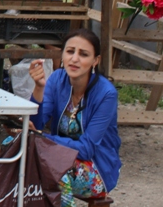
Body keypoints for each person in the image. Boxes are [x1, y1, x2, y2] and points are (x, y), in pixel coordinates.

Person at [29, 29, 121, 207]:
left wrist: (41, 137)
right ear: (62, 54)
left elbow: (86, 149)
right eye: (70, 51)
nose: (75, 58)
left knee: (55, 170)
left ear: (96, 60)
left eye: (83, 54)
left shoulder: (106, 94)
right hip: (59, 156)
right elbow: (36, 123)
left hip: (95, 168)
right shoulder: (57, 79)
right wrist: (39, 89)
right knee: (13, 145)